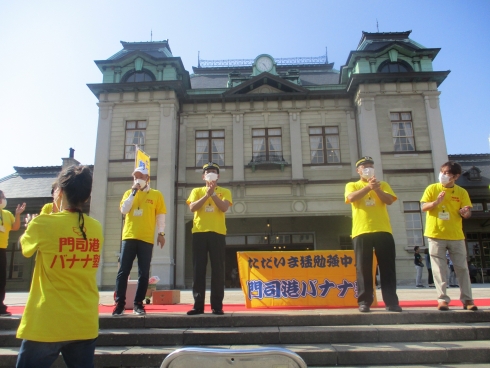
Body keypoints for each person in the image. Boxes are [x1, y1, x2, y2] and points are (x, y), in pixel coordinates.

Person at [15, 165, 103, 368]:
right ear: (87, 197)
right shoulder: (96, 227)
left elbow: (25, 248)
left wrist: (29, 227)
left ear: (60, 192)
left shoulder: (43, 223)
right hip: (84, 320)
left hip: (48, 321)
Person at [345, 156, 402, 313]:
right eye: (364, 167)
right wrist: (367, 188)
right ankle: (364, 301)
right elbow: (351, 198)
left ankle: (391, 302)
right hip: (361, 231)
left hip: (383, 229)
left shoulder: (382, 184)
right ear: (358, 170)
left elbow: (389, 200)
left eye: (370, 166)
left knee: (387, 267)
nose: (367, 169)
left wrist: (376, 188)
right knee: (363, 268)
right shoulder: (352, 185)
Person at [420, 161, 477, 311]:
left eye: (447, 174)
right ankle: (442, 300)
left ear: (456, 177)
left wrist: (465, 212)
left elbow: (467, 212)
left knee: (462, 268)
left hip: (456, 235)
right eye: (442, 172)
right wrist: (436, 202)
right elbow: (424, 207)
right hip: (435, 234)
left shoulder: (461, 192)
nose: (443, 175)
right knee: (439, 269)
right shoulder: (432, 188)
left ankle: (467, 299)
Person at [113, 167, 166, 316]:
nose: (138, 179)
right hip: (129, 236)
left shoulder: (156, 195)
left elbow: (160, 215)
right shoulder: (128, 193)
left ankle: (138, 304)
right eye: (135, 176)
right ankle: (120, 304)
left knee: (144, 273)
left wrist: (161, 233)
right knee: (123, 271)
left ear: (147, 178)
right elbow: (124, 210)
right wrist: (133, 193)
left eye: (141, 176)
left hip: (146, 238)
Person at [186, 162, 232, 315]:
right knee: (198, 269)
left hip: (217, 232)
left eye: (213, 172)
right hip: (199, 232)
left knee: (218, 269)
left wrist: (213, 194)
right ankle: (198, 305)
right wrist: (207, 194)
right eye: (208, 172)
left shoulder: (225, 191)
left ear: (218, 176)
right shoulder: (196, 191)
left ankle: (217, 306)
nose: (210, 174)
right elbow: (192, 208)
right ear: (203, 176)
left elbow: (224, 208)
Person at [0, 190, 25, 317]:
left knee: (1, 279)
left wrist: (17, 214)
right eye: (2, 197)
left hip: (2, 248)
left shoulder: (6, 214)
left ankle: (0, 307)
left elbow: (15, 227)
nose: (4, 200)